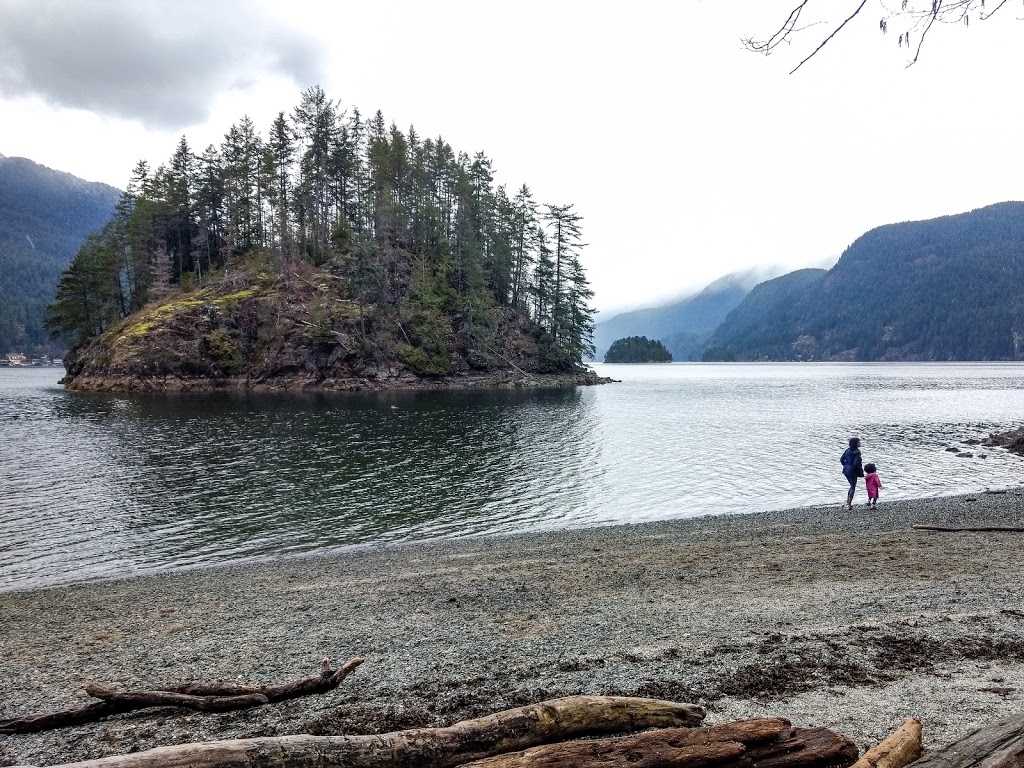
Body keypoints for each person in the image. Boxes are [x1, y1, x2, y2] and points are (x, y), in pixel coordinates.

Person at [839, 437, 863, 509]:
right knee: (853, 486)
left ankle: (847, 502)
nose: (860, 443)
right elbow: (857, 463)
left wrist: (846, 465)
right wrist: (860, 471)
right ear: (856, 443)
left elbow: (841, 459)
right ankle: (849, 504)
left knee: (851, 485)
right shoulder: (857, 452)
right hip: (853, 471)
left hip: (846, 470)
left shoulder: (847, 450)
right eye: (859, 442)